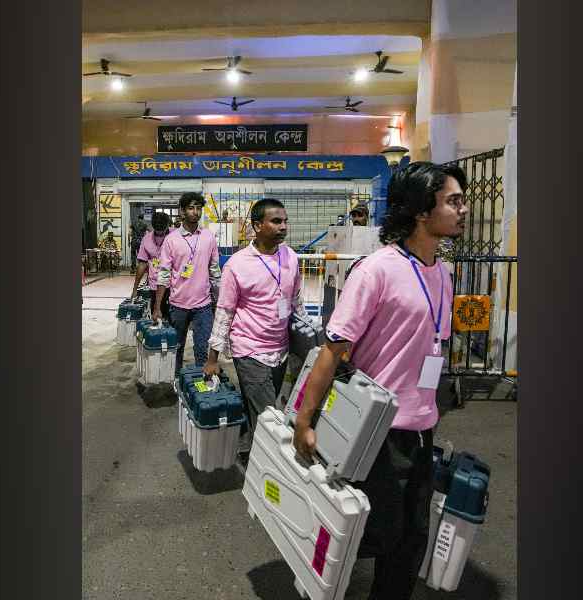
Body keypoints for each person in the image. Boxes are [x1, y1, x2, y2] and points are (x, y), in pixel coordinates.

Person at [292, 162, 468, 600]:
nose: (464, 208)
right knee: (372, 534)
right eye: (453, 200)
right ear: (422, 211)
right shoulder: (376, 271)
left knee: (411, 541)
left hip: (423, 429)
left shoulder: (443, 273)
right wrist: (304, 420)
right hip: (378, 433)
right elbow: (333, 351)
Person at [203, 198, 306, 450]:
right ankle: (268, 469)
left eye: (285, 221)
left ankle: (246, 447)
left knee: (261, 409)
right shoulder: (237, 265)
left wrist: (304, 341)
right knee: (270, 414)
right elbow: (225, 312)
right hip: (249, 350)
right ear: (258, 225)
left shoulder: (290, 257)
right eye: (276, 221)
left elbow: (296, 301)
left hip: (280, 350)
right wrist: (213, 358)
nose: (283, 226)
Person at [154, 193, 221, 373]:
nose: (195, 212)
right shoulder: (171, 240)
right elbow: (164, 275)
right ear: (182, 211)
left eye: (199, 208)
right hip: (178, 305)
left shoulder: (209, 237)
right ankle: (177, 382)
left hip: (203, 306)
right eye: (191, 208)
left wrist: (219, 301)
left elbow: (215, 272)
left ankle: (199, 392)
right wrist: (157, 307)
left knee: (202, 350)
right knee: (177, 349)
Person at [131, 212, 174, 320]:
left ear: (168, 226)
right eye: (157, 233)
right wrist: (135, 289)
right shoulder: (146, 239)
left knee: (173, 319)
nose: (159, 235)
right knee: (157, 315)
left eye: (162, 233)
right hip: (155, 284)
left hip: (174, 285)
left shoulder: (175, 236)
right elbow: (142, 264)